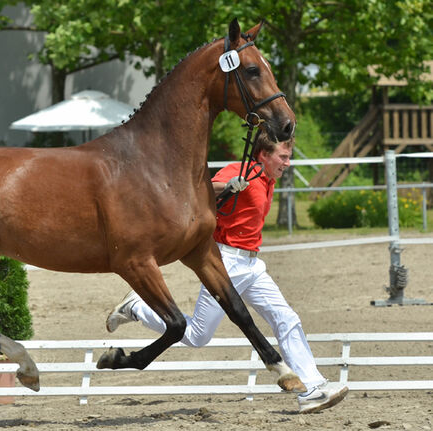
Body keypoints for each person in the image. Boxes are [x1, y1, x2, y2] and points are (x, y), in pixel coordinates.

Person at [105, 133, 348, 414]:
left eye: (288, 157)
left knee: (286, 318)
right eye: (283, 157)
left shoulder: (268, 180)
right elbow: (204, 189)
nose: (288, 163)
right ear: (264, 155)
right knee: (198, 336)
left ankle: (312, 388)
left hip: (252, 265)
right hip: (225, 263)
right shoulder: (242, 170)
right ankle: (137, 307)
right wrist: (228, 186)